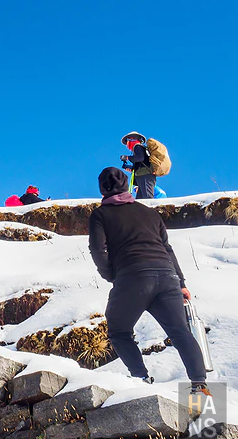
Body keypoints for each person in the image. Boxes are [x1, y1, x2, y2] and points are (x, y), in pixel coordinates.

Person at [88, 167, 209, 395]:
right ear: (127, 185)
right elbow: (167, 248)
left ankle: (140, 380)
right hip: (167, 276)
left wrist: (111, 275)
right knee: (180, 331)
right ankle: (200, 386)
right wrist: (181, 283)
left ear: (102, 188)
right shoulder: (149, 213)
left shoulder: (100, 215)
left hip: (132, 276)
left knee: (119, 331)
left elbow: (97, 249)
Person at [120, 131, 155, 200]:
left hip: (145, 175)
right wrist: (130, 168)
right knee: (141, 200)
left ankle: (149, 210)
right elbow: (141, 163)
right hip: (142, 176)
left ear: (131, 139)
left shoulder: (137, 146)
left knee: (147, 198)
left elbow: (140, 158)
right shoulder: (140, 148)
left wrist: (127, 158)